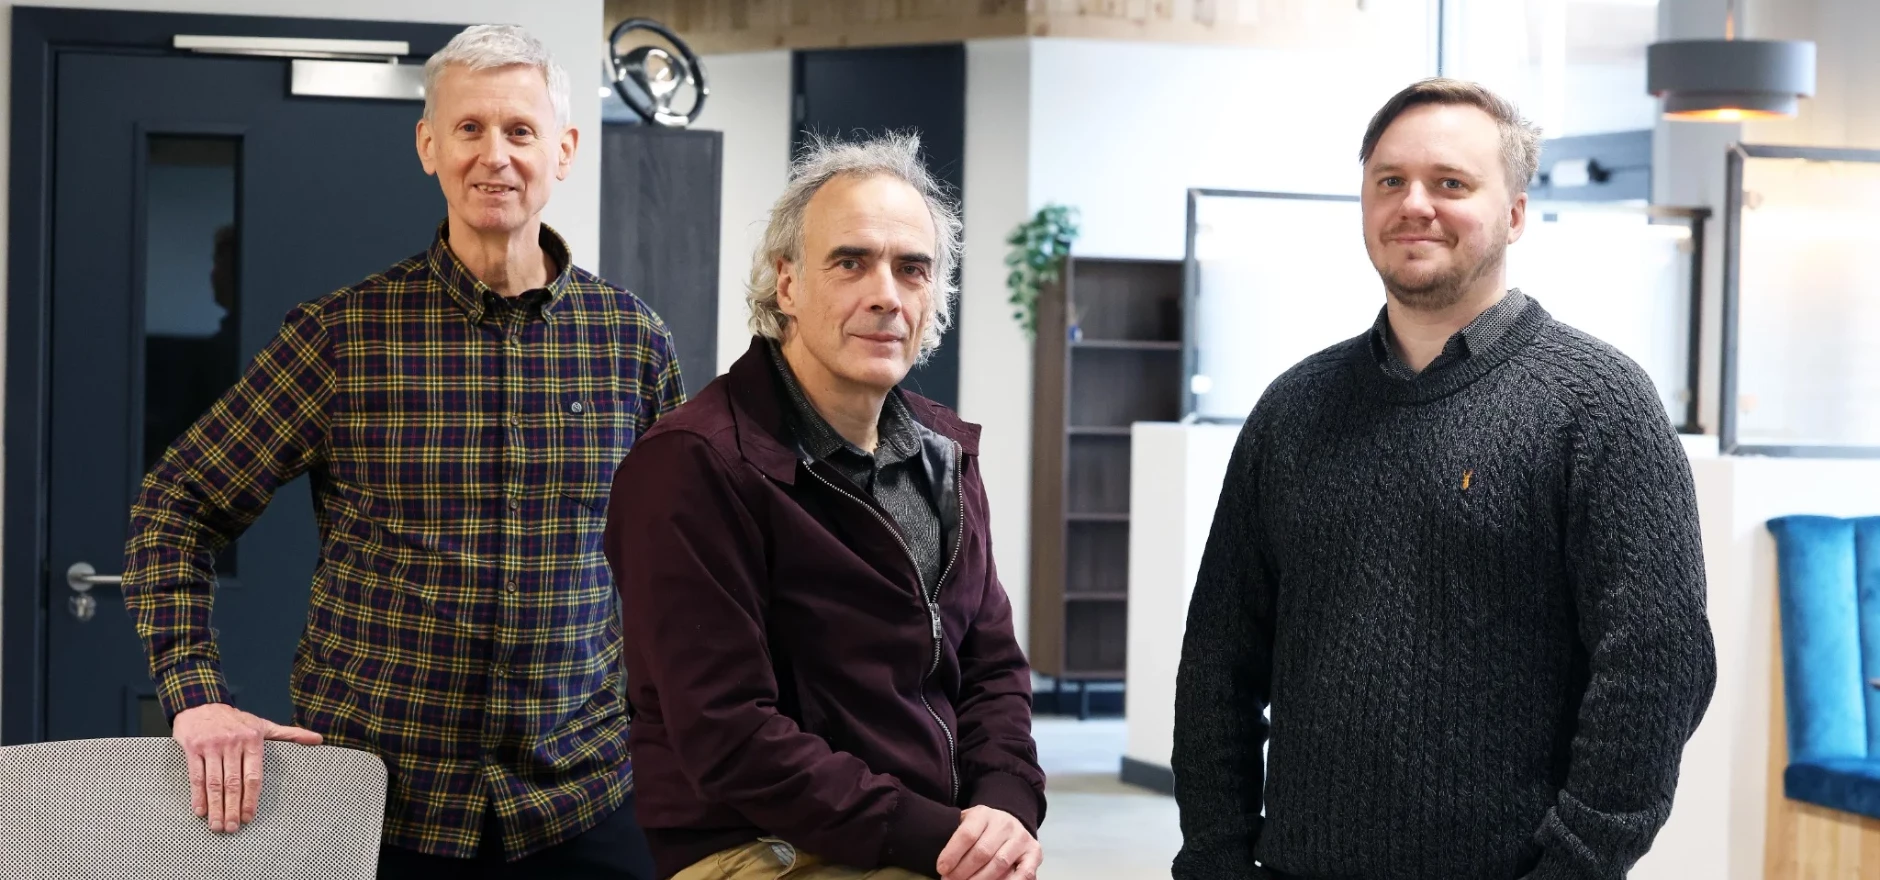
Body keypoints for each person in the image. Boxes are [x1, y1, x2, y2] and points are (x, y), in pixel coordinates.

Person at [121, 24, 682, 879]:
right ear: (429, 145)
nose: (495, 155)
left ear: (564, 149)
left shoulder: (633, 343)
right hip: (380, 812)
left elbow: (681, 563)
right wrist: (195, 697)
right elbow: (175, 506)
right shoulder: (342, 336)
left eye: (520, 130)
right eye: (469, 128)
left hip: (583, 803)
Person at [1170, 77, 1718, 880]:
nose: (1414, 204)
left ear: (1516, 214)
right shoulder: (1292, 411)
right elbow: (1219, 661)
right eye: (1390, 181)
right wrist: (1215, 859)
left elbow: (1655, 668)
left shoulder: (1599, 405)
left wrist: (1577, 865)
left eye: (1451, 183)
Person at [602, 134, 1046, 880]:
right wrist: (937, 837)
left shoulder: (944, 452)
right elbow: (729, 734)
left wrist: (1004, 803)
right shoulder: (694, 464)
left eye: (913, 269)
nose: (886, 294)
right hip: (763, 846)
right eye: (851, 262)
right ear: (786, 284)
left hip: (925, 837)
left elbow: (991, 663)